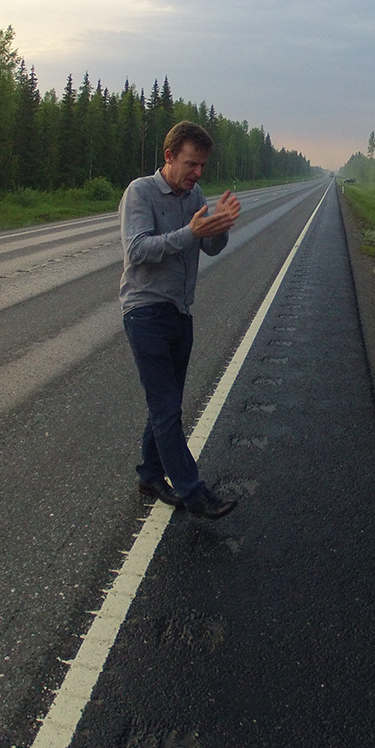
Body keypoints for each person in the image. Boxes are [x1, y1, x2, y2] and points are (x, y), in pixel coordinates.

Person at [119, 120, 241, 519]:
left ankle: (151, 473)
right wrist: (191, 232)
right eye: (192, 164)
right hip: (145, 310)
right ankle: (194, 491)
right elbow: (138, 250)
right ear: (169, 156)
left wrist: (220, 227)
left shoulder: (195, 195)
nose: (198, 173)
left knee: (165, 403)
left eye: (203, 166)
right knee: (168, 406)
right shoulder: (141, 192)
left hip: (179, 311)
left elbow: (209, 247)